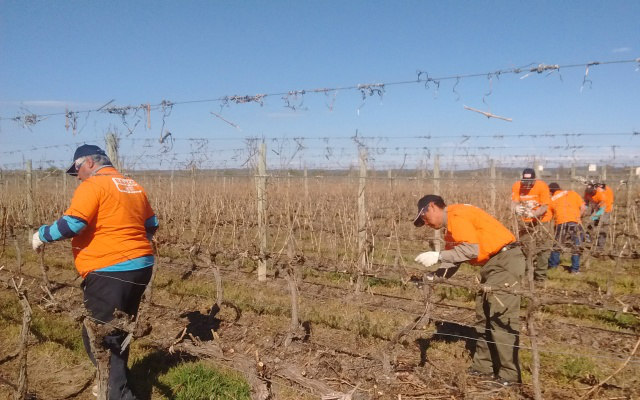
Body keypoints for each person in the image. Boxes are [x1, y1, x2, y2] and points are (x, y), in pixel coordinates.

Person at [31, 144, 158, 400]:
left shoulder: (92, 186)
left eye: (76, 169)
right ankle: (113, 383)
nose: (77, 176)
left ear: (88, 162)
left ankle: (118, 393)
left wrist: (41, 235)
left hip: (110, 270)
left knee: (99, 336)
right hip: (141, 267)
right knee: (119, 329)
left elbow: (73, 224)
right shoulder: (132, 185)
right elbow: (151, 224)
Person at [413, 195, 525, 385]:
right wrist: (434, 277)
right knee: (483, 317)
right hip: (492, 265)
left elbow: (471, 250)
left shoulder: (457, 215)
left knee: (500, 317)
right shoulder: (451, 229)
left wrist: (438, 255)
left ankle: (510, 376)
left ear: (431, 207)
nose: (426, 224)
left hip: (505, 262)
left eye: (424, 218)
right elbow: (455, 260)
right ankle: (483, 368)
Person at [511, 168, 552, 281]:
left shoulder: (542, 186)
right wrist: (516, 209)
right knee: (524, 247)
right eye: (525, 182)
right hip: (525, 222)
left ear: (534, 180)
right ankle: (524, 273)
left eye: (530, 182)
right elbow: (513, 202)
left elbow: (544, 206)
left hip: (542, 221)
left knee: (542, 247)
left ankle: (540, 276)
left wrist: (533, 213)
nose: (527, 185)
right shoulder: (517, 185)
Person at [547, 183, 586, 274]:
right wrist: (578, 217)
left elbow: (549, 216)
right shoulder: (572, 193)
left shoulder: (551, 200)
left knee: (557, 245)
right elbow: (583, 208)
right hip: (575, 222)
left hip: (561, 223)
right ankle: (575, 269)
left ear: (550, 191)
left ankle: (553, 266)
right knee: (576, 245)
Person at [584, 181, 614, 253]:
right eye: (589, 193)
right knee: (590, 224)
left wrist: (594, 216)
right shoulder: (587, 192)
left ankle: (600, 247)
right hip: (596, 208)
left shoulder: (600, 194)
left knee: (602, 227)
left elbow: (602, 208)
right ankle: (589, 240)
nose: (590, 194)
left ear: (595, 190)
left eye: (592, 193)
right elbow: (586, 203)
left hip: (605, 209)